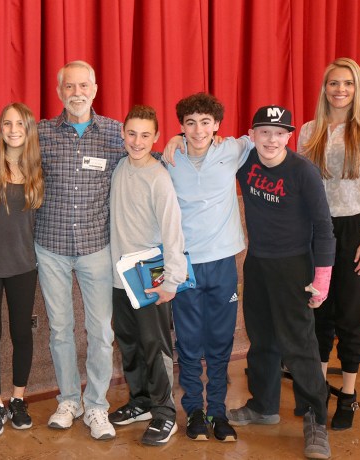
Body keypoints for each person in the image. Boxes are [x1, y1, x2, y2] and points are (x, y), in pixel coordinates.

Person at [228, 106, 336, 460]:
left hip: (294, 267)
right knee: (261, 339)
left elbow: (323, 227)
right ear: (252, 134)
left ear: (289, 136)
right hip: (258, 262)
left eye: (279, 133)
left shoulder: (303, 171)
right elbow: (210, 147)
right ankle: (263, 405)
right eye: (264, 132)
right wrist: (178, 143)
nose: (271, 139)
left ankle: (316, 419)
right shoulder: (246, 164)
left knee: (299, 344)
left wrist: (322, 277)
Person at [298, 57, 360, 430]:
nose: (340, 90)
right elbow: (304, 187)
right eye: (334, 83)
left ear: (357, 89)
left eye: (348, 84)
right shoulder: (309, 130)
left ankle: (348, 396)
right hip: (318, 231)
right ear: (324, 89)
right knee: (319, 312)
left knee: (351, 317)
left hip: (355, 230)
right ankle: (318, 391)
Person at [35, 60, 123, 440]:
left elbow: (149, 156)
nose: (77, 93)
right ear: (59, 93)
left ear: (95, 88)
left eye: (83, 85)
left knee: (101, 330)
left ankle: (97, 405)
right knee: (60, 329)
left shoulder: (117, 134)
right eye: (69, 87)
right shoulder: (39, 134)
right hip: (50, 246)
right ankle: (69, 398)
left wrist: (170, 144)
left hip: (95, 247)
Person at [159, 93, 253, 443]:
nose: (198, 130)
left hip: (223, 263)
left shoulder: (232, 150)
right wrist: (172, 141)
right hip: (185, 265)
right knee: (188, 342)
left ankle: (218, 410)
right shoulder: (170, 157)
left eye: (205, 122)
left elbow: (259, 136)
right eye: (190, 123)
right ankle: (195, 410)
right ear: (181, 127)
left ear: (217, 126)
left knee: (220, 340)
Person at [108, 105, 186, 445]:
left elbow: (173, 231)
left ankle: (165, 412)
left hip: (151, 276)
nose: (137, 141)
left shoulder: (159, 177)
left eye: (145, 135)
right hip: (119, 277)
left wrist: (171, 280)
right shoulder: (119, 168)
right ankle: (139, 400)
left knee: (156, 345)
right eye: (131, 133)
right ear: (122, 134)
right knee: (129, 343)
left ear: (155, 138)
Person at [0, 103, 43, 437]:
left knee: (21, 333)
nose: (13, 129)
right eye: (7, 123)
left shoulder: (39, 169)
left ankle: (18, 399)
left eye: (20, 124)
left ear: (29, 130)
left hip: (22, 267)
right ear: (0, 128)